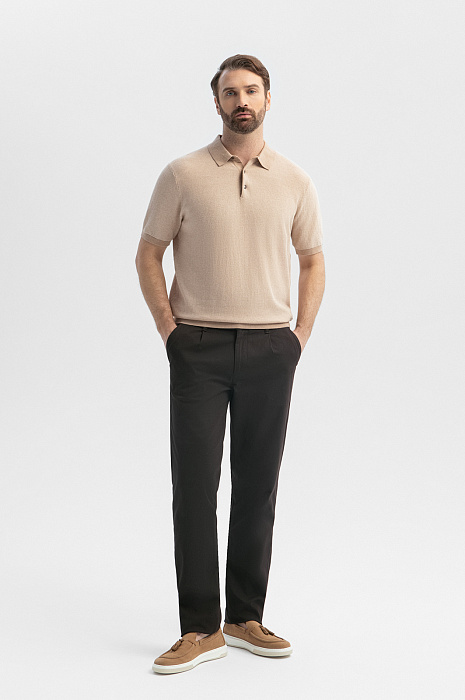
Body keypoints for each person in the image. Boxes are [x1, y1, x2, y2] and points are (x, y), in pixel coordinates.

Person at [135, 54, 325, 675]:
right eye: (230, 92)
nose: (241, 101)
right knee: (194, 486)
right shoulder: (182, 174)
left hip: (271, 349)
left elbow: (313, 259)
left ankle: (245, 617)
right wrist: (170, 331)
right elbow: (148, 252)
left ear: (268, 99)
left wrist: (298, 337)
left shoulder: (294, 180)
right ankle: (200, 628)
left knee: (257, 486)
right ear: (216, 102)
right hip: (198, 348)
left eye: (251, 90)